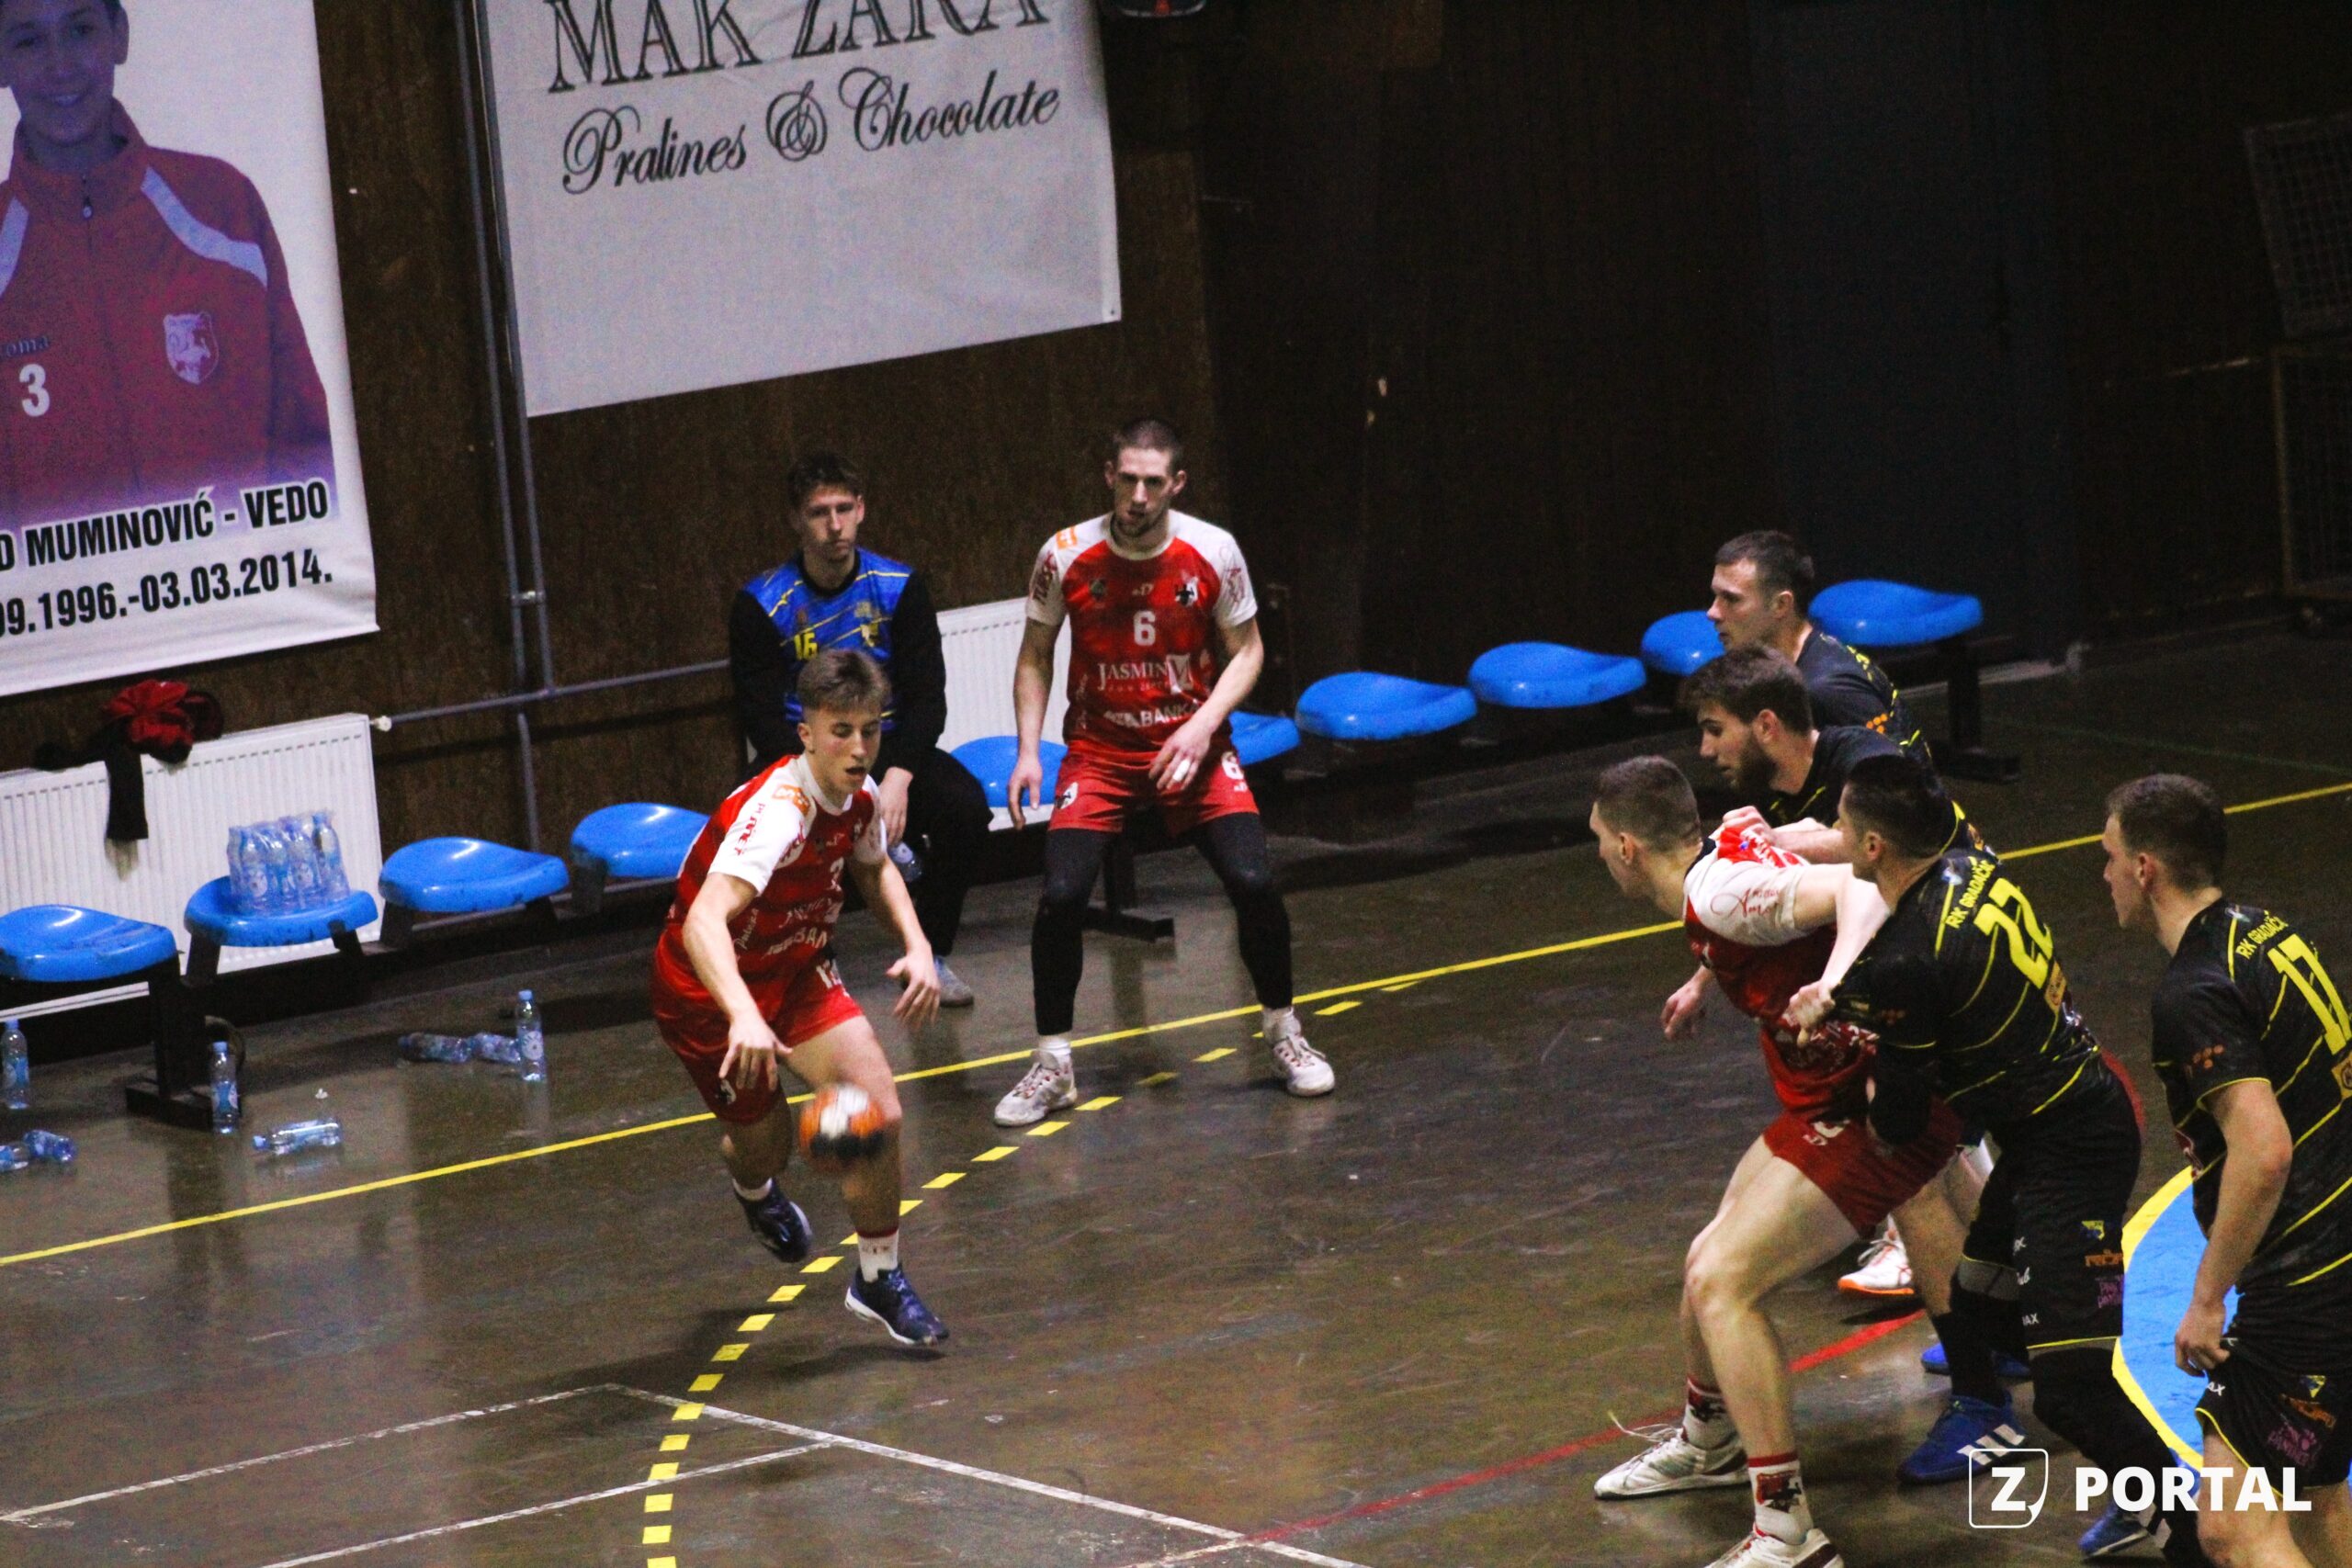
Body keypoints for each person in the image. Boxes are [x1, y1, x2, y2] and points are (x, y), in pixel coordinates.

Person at [1799, 754, 2211, 1566]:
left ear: (1874, 846)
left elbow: (1899, 1121)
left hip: (2073, 1151)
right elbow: (1927, 979)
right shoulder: (1971, 865)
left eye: (1841, 825)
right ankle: (2090, 1417)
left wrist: (1846, 1061)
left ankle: (2186, 1531)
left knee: (2069, 1390)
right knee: (1981, 1307)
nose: (1834, 835)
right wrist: (1848, 1001)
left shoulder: (1909, 957)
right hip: (2052, 1126)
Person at [1588, 756, 1973, 1568]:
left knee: (1723, 1281)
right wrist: (1703, 982)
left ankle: (1788, 1529)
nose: (1598, 855)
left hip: (1876, 1105)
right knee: (1706, 1257)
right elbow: (1765, 907)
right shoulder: (1722, 861)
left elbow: (1861, 889)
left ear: (1626, 847)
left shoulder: (1718, 893)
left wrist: (1830, 982)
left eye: (1597, 841)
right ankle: (1708, 1441)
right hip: (1828, 1097)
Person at [994, 417, 1332, 1125]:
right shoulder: (1064, 553)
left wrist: (1203, 724)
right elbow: (1035, 655)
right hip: (1100, 751)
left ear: (1176, 483)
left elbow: (1248, 651)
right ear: (1108, 476)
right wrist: (1028, 749)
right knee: (1061, 895)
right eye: (1128, 479)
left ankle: (1284, 1032)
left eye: (1153, 482)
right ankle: (1053, 1063)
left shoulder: (1213, 551)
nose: (1139, 495)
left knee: (1254, 881)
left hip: (1195, 747)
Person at [651, 649, 948, 1348]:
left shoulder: (861, 796)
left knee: (878, 1112)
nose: (858, 748)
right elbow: (702, 922)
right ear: (807, 733)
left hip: (796, 967)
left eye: (870, 730)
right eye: (840, 731)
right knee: (768, 1147)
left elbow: (874, 867)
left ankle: (878, 1276)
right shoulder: (778, 813)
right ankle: (753, 1188)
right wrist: (742, 1015)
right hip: (708, 989)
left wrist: (918, 944)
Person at [1679, 643, 1989, 1308]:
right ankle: (1999, 1289)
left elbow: (1886, 852)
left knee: (1912, 1133)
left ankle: (1973, 1287)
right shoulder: (1771, 796)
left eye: (1715, 729)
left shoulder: (1863, 763)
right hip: (1907, 959)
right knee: (1930, 1141)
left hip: (1965, 954)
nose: (1706, 750)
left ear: (1766, 726)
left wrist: (1790, 844)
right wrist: (1702, 979)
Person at [2103, 774, 2352, 1568]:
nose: (2104, 875)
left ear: (2146, 868)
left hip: (2304, 1285)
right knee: (2314, 1494)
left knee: (2231, 1527)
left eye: (2109, 857)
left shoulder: (2193, 991)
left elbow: (2264, 1149)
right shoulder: (2267, 932)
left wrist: (2207, 1298)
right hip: (2339, 1256)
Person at [0, 0, 334, 529]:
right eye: (28, 41)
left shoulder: (223, 208)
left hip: (238, 576)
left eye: (80, 30)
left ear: (119, 35)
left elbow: (304, 442)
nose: (59, 65)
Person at [729, 450, 991, 1007]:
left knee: (965, 809)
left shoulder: (899, 586)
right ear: (796, 520)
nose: (834, 525)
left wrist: (895, 778)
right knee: (755, 831)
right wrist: (824, 780)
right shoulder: (761, 604)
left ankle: (929, 954)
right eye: (818, 512)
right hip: (801, 756)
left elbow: (928, 700)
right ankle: (807, 971)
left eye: (844, 509)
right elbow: (759, 715)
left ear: (861, 510)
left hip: (884, 745)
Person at [1708, 532, 1922, 758]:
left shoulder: (1828, 691)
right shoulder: (1772, 664)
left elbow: (1893, 775)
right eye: (1715, 596)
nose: (1712, 612)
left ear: (1781, 605)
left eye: (1731, 599)